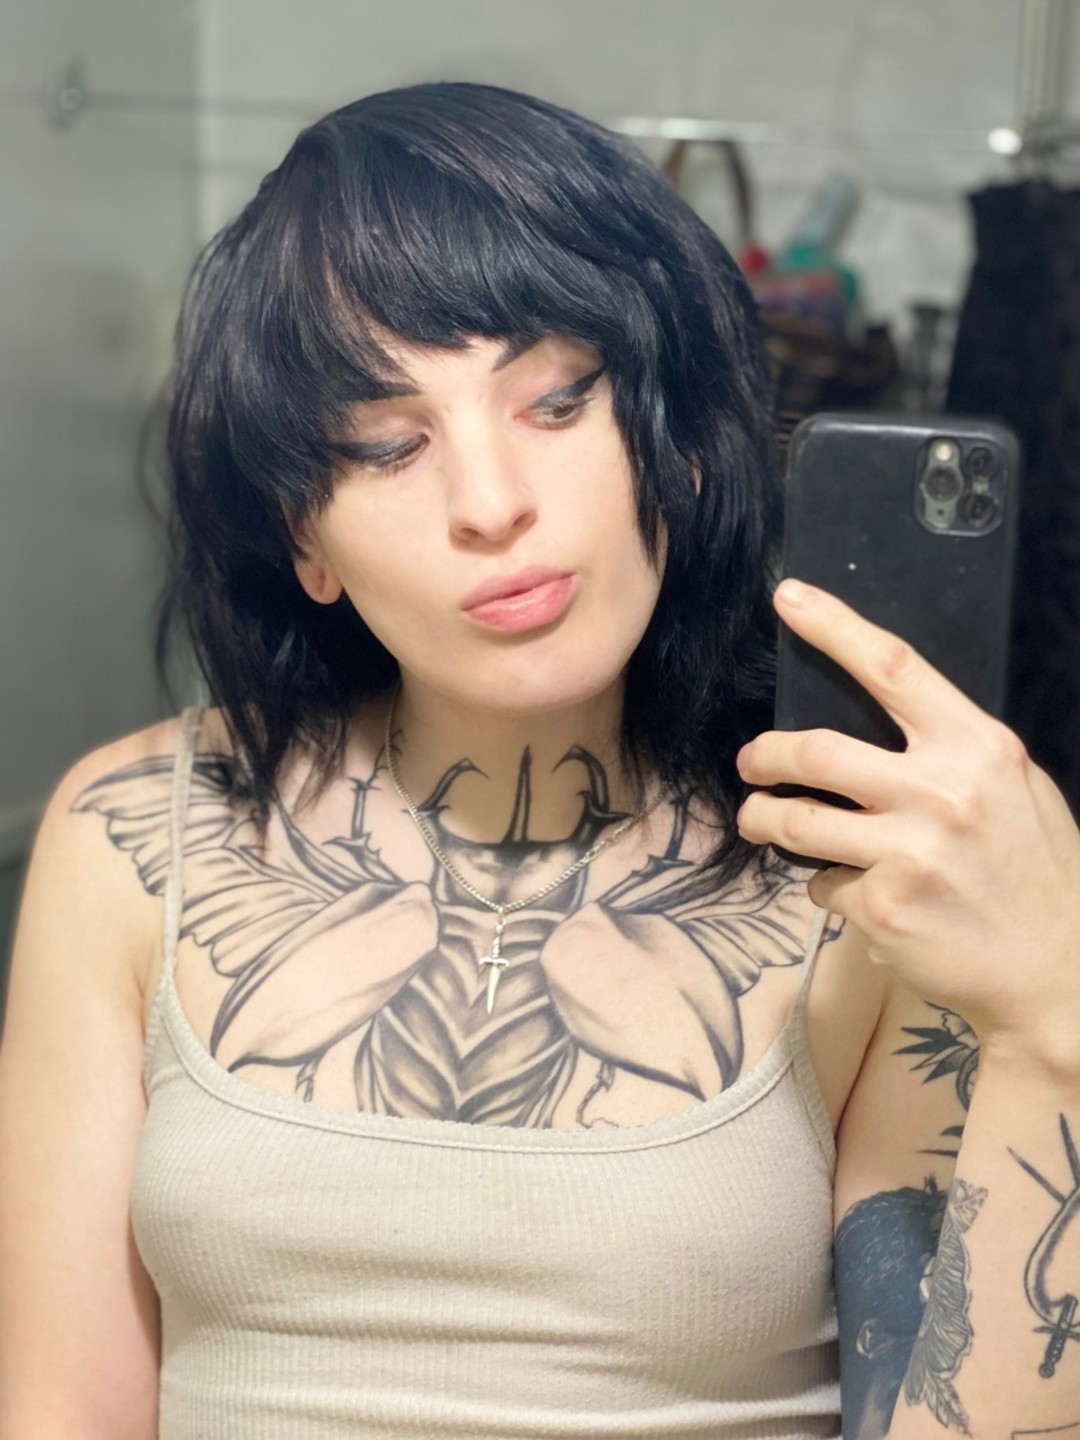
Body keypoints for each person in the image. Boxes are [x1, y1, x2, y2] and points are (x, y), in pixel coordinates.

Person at [1, 80, 1078, 1440]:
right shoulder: (127, 832)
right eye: (388, 445)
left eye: (559, 402)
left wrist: (1056, 1023)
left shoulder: (876, 854)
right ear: (304, 540)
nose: (492, 503)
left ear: (680, 443)